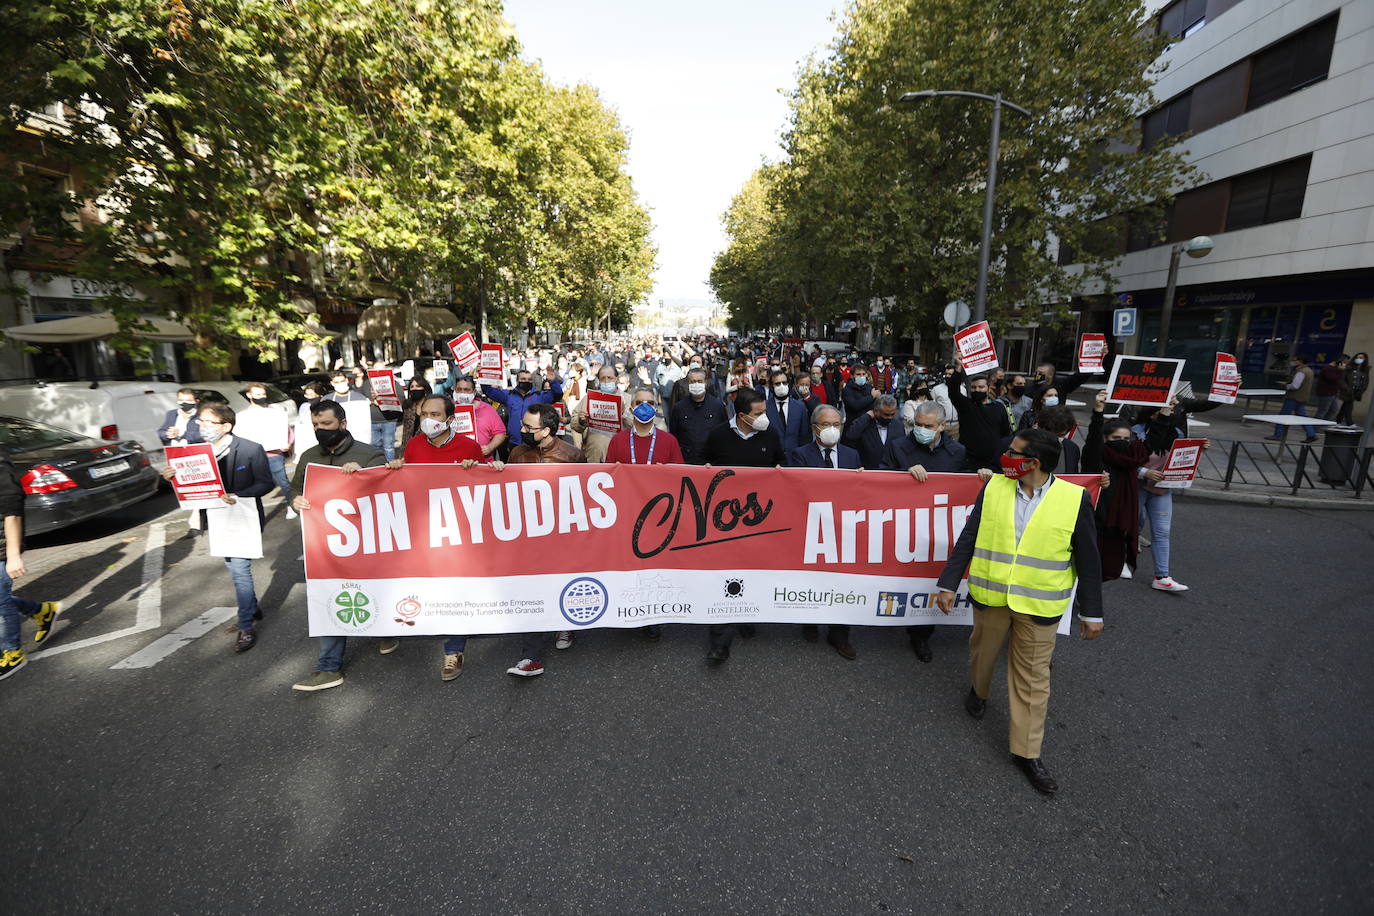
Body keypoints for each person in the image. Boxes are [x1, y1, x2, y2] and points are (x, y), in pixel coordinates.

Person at [935, 429, 1104, 796]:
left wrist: (1091, 611)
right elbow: (971, 535)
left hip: (1039, 607)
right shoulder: (994, 487)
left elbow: (1089, 558)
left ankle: (1027, 753)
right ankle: (978, 692)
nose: (1004, 457)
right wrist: (948, 583)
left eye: (1013, 453)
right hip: (991, 597)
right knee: (982, 656)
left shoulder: (1074, 500)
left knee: (1032, 679)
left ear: (1034, 463)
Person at [388, 393, 495, 681]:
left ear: (449, 419)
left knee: (456, 587)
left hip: (461, 530)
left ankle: (454, 650)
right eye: (424, 414)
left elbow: (486, 488)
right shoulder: (413, 445)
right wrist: (398, 470)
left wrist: (486, 469)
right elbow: (409, 484)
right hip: (427, 529)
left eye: (435, 415)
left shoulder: (469, 446)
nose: (427, 420)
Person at [288, 400, 394, 691]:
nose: (320, 430)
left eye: (327, 425)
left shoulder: (368, 453)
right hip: (327, 548)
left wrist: (362, 476)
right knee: (332, 597)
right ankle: (328, 667)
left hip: (365, 543)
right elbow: (296, 488)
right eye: (316, 426)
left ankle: (385, 628)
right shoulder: (309, 457)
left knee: (371, 592)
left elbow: (386, 491)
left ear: (343, 424)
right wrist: (295, 502)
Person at [160, 404, 275, 653]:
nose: (202, 426)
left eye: (209, 422)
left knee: (240, 570)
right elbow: (190, 486)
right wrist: (172, 478)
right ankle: (252, 608)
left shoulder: (249, 449)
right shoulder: (191, 451)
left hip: (243, 515)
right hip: (214, 518)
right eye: (200, 421)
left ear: (226, 426)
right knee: (232, 566)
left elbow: (266, 483)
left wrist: (239, 494)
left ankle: (246, 625)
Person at [880, 400, 973, 663]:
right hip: (904, 525)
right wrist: (903, 473)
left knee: (930, 578)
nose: (920, 429)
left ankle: (921, 633)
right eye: (917, 425)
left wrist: (981, 476)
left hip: (939, 528)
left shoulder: (957, 451)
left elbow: (966, 485)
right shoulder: (899, 446)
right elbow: (881, 478)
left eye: (928, 426)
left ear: (942, 426)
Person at [703, 387, 783, 663]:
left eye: (765, 411)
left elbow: (780, 466)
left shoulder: (770, 434)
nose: (764, 418)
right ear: (742, 416)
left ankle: (748, 615)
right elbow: (701, 468)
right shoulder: (718, 436)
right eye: (758, 413)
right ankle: (720, 641)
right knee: (725, 577)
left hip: (758, 519)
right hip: (724, 521)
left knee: (753, 572)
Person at [506, 404, 587, 675]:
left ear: (547, 431)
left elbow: (583, 496)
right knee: (532, 590)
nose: (522, 431)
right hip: (528, 536)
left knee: (562, 582)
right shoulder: (516, 454)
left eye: (529, 428)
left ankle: (566, 624)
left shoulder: (573, 455)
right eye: (522, 425)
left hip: (562, 536)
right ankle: (531, 656)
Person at [0, 448, 61, 680]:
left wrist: (13, 554)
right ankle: (42, 611)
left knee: (0, 599)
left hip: (3, 547)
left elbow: (12, 514)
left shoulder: (1, 469)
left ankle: (11, 652)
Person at [1133, 397, 1197, 593]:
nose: (1170, 414)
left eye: (1171, 410)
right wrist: (1144, 472)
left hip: (1162, 489)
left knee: (1161, 532)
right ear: (1154, 413)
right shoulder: (1137, 432)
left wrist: (1198, 449)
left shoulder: (1176, 433)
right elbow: (1125, 461)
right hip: (1137, 486)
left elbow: (1183, 457)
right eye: (1165, 411)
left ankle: (1162, 576)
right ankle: (1122, 564)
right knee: (1132, 524)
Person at [1081, 391, 1146, 581]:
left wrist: (1165, 411)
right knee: (1086, 568)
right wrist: (1098, 412)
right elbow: (1093, 439)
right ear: (1105, 439)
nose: (1122, 443)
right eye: (1116, 439)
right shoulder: (1096, 456)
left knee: (1105, 569)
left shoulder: (1131, 460)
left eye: (1126, 439)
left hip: (1117, 526)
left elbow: (1155, 441)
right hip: (1095, 520)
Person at [238, 382, 296, 519]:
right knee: (254, 486)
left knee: (283, 482)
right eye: (257, 394)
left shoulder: (276, 413)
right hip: (253, 456)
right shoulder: (243, 416)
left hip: (274, 454)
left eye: (263, 394)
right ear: (249, 395)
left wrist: (287, 443)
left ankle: (291, 505)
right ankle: (257, 515)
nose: (261, 397)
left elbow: (288, 431)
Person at [483, 366, 565, 452]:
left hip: (534, 442)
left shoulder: (539, 396)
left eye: (529, 379)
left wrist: (553, 381)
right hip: (514, 442)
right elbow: (488, 391)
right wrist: (484, 374)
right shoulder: (509, 395)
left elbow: (558, 395)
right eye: (523, 378)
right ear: (517, 380)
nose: (527, 381)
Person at [947, 366, 1012, 471]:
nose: (977, 390)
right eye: (973, 387)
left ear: (988, 388)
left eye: (981, 387)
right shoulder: (966, 406)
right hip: (969, 461)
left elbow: (1005, 433)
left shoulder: (999, 407)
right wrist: (959, 367)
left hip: (993, 462)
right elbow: (953, 391)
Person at [606, 388, 685, 466]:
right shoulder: (617, 440)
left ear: (656, 410)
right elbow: (608, 475)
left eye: (650, 403)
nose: (644, 406)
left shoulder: (670, 441)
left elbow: (679, 474)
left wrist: (665, 472)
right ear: (631, 410)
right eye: (638, 402)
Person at [668, 366, 727, 465]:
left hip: (711, 462)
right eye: (693, 381)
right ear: (688, 383)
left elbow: (724, 434)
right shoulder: (679, 408)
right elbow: (674, 435)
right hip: (687, 461)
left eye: (700, 381)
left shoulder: (718, 406)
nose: (696, 384)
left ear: (706, 383)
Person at [571, 364, 629, 462]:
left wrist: (623, 414)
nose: (606, 381)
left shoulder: (627, 399)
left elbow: (637, 427)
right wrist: (580, 420)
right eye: (602, 378)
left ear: (616, 379)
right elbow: (574, 422)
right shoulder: (589, 398)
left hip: (619, 456)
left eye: (610, 378)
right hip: (593, 454)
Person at [451, 375, 508, 462]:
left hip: (482, 462)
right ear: (455, 391)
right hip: (455, 461)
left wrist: (489, 447)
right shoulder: (448, 409)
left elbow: (501, 433)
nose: (462, 393)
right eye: (459, 389)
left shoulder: (488, 409)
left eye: (466, 390)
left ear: (474, 392)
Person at [1266, 354, 1317, 442]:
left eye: (1295, 360)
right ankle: (1311, 434)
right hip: (1302, 397)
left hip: (1293, 397)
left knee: (1283, 416)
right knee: (1302, 416)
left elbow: (1295, 386)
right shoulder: (1309, 371)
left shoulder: (1301, 372)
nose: (1293, 361)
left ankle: (1278, 434)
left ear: (1300, 361)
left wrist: (1286, 385)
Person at [843, 393, 901, 470]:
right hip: (868, 471)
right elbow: (850, 436)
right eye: (886, 415)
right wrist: (866, 416)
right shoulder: (864, 423)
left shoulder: (898, 425)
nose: (890, 417)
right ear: (876, 411)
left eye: (892, 414)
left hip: (891, 472)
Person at [760, 368, 809, 452]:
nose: (782, 386)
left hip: (795, 456)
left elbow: (805, 435)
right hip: (772, 457)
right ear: (772, 386)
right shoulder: (764, 407)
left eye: (784, 383)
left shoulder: (800, 407)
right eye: (777, 384)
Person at [841, 363, 876, 435]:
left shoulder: (870, 389)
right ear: (852, 376)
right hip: (852, 426)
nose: (861, 376)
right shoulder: (847, 390)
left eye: (863, 374)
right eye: (858, 374)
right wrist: (871, 397)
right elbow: (855, 406)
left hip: (868, 427)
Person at [1337, 352, 1369, 426]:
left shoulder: (1365, 370)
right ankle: (1349, 422)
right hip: (1348, 390)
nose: (1359, 359)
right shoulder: (1349, 368)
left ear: (1365, 359)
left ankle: (1338, 420)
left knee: (1345, 405)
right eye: (1357, 357)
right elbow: (1342, 379)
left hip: (1356, 391)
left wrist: (1361, 391)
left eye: (1361, 358)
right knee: (1349, 404)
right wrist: (1346, 388)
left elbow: (1366, 382)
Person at [1313, 356, 1347, 422]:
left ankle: (1323, 424)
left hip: (1333, 393)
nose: (1345, 365)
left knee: (1333, 410)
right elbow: (1332, 378)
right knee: (1323, 410)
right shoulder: (1328, 368)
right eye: (1344, 362)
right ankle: (1315, 427)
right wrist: (1340, 371)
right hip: (1326, 393)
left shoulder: (1336, 369)